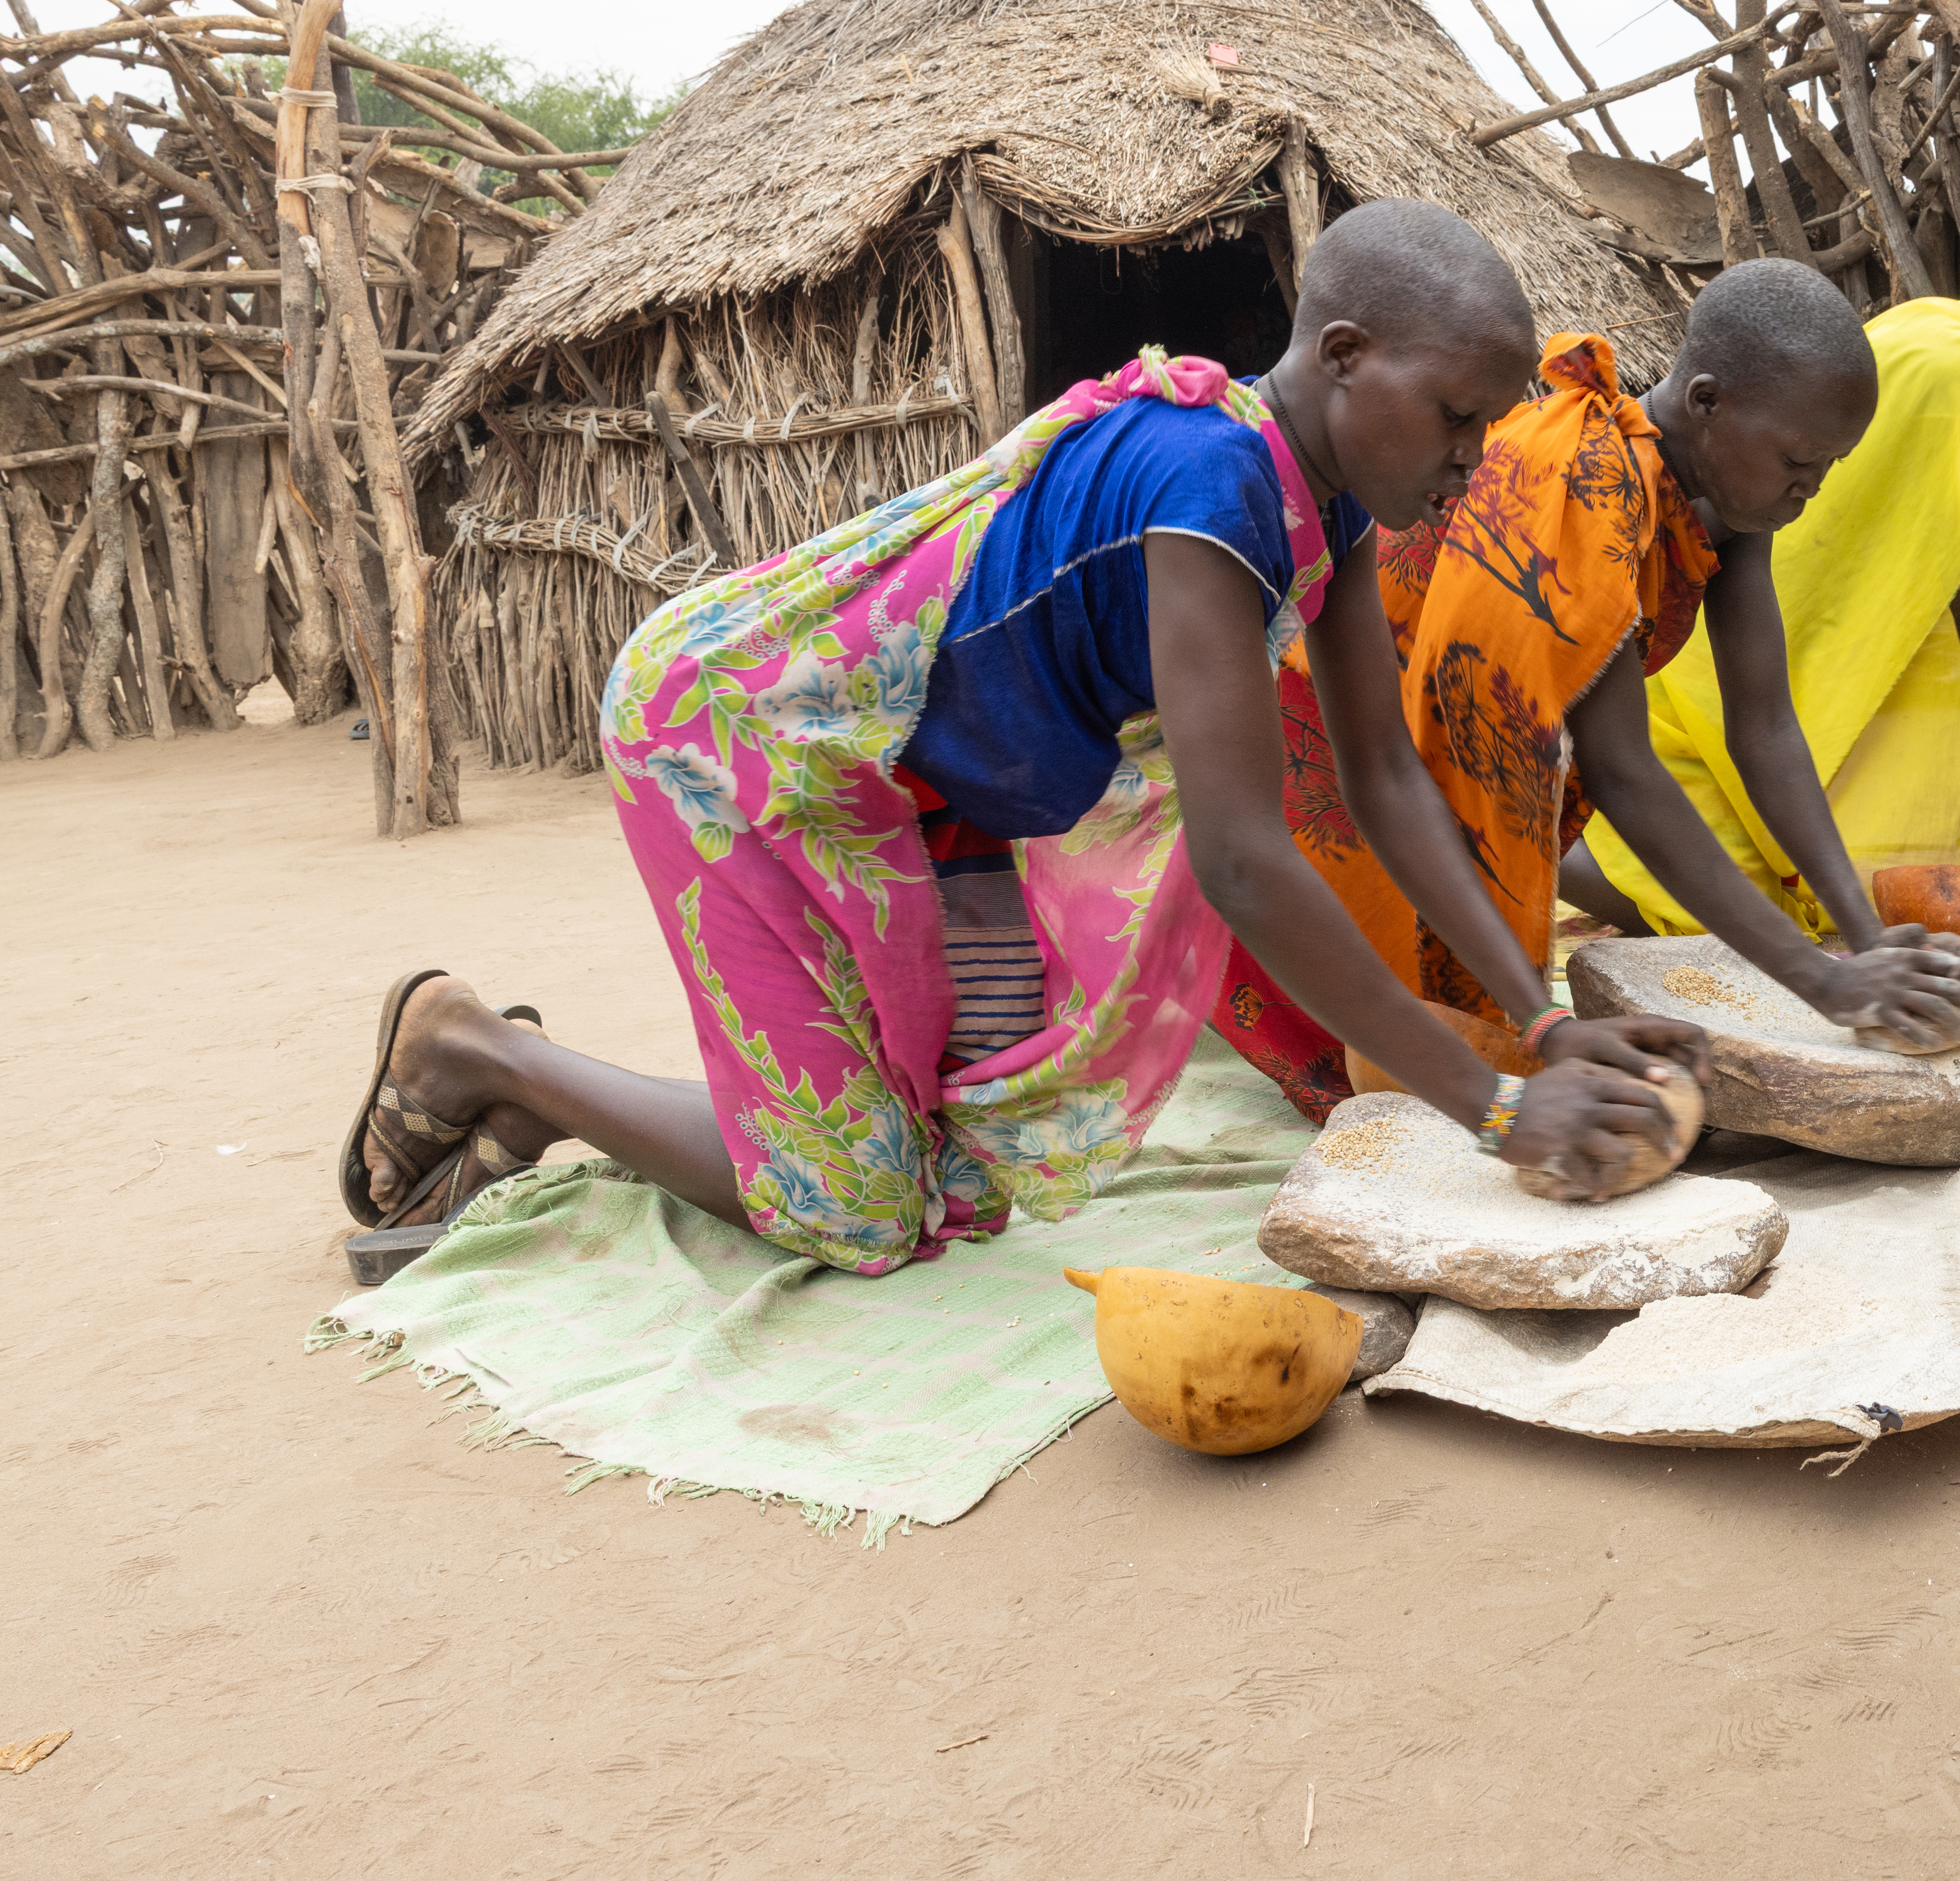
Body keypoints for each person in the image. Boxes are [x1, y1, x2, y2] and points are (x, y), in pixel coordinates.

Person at [334, 201, 1706, 1277]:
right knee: (858, 1214)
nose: (1476, 456)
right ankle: (480, 1051)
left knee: (975, 1158)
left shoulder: (1326, 500)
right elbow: (1241, 859)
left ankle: (585, 1108)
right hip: (742, 741)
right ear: (1346, 357)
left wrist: (1531, 1018)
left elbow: (1386, 779)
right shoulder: (1208, 482)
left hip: (929, 798)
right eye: (1460, 417)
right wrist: (1488, 1104)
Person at [1210, 260, 1960, 1121]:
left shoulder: (1730, 507)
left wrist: (1864, 940)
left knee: (1474, 1033)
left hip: (1432, 759)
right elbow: (1626, 773)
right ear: (1707, 402)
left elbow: (1767, 727)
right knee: (1399, 1060)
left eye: (1826, 469)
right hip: (1346, 736)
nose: (1807, 493)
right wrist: (1820, 980)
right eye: (1796, 462)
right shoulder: (1594, 479)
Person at [1566, 174, 1960, 941]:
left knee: (1818, 910)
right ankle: (1510, 858)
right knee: (1744, 909)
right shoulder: (1949, 373)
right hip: (1744, 671)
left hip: (1781, 666)